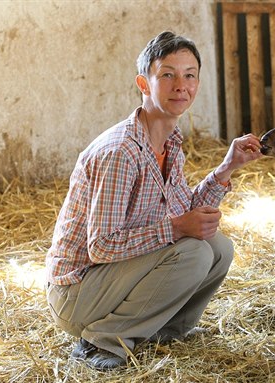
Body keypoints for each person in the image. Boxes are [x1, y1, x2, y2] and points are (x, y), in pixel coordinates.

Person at [45, 31, 263, 370]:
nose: (181, 85)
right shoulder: (120, 152)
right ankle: (101, 342)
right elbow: (101, 246)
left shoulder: (170, 141)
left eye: (190, 75)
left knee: (219, 248)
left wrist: (227, 167)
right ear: (144, 84)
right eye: (167, 75)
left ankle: (166, 331)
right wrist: (176, 228)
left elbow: (185, 213)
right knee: (193, 251)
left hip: (115, 279)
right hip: (77, 294)